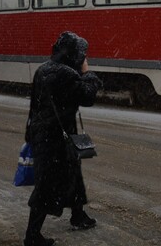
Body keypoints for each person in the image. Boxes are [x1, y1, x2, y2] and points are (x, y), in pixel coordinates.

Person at [23, 31, 102, 246]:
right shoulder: (67, 74)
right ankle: (32, 236)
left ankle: (78, 216)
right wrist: (88, 73)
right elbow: (87, 97)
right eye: (80, 54)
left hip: (45, 135)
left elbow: (35, 105)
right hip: (56, 138)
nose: (82, 57)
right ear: (72, 53)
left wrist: (30, 133)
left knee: (73, 176)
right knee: (46, 187)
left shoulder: (43, 69)